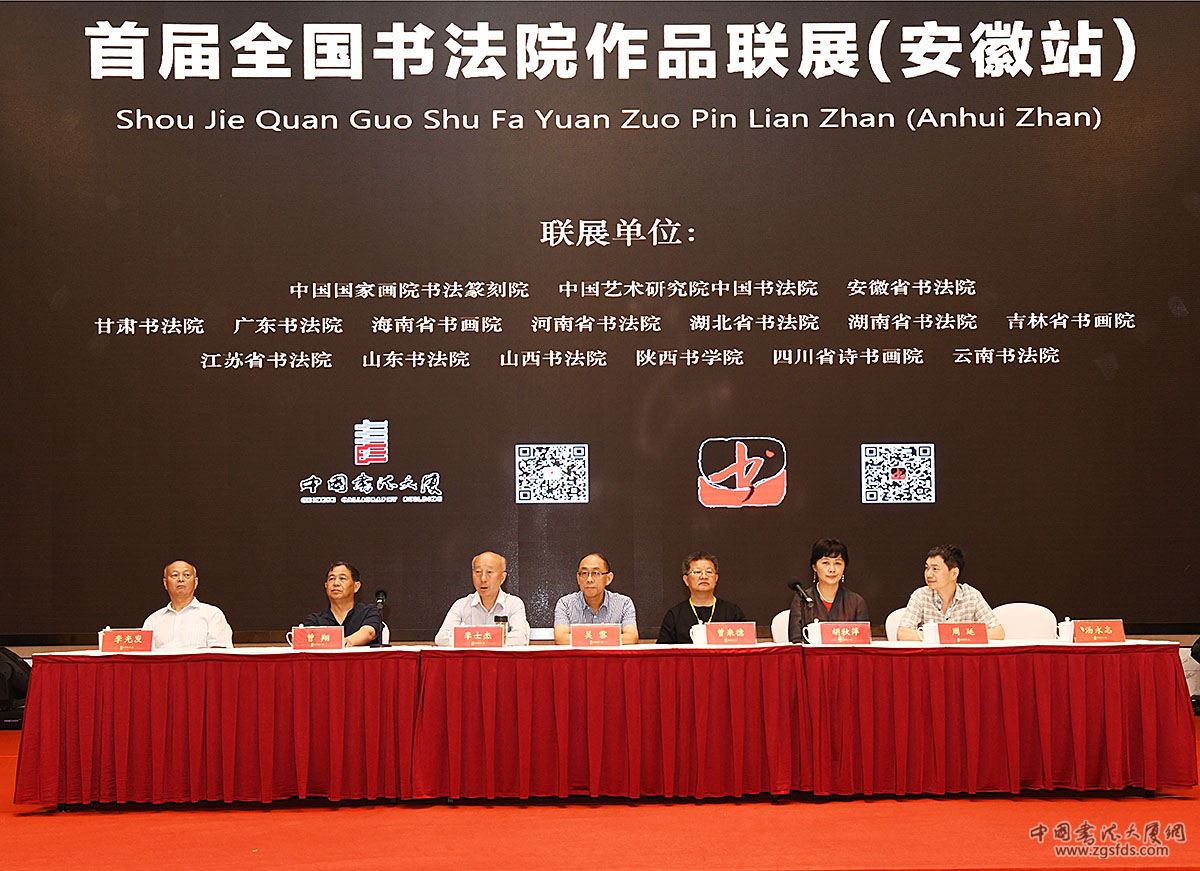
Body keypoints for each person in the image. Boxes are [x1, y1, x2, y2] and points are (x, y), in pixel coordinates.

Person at [896, 545, 1004, 641]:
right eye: (927, 568)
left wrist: (959, 636)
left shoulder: (972, 596)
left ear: (954, 574)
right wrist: (942, 635)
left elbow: (998, 633)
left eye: (935, 569)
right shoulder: (921, 595)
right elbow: (903, 634)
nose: (929, 574)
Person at [434, 551, 530, 646]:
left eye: (489, 572)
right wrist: (489, 640)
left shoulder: (514, 604)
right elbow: (441, 638)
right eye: (478, 572)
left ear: (502, 578)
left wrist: (476, 640)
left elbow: (520, 638)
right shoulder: (461, 605)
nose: (483, 579)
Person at [788, 538, 870, 643]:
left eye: (837, 563)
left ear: (844, 567)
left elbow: (862, 643)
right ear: (814, 567)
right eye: (825, 563)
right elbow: (796, 642)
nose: (832, 569)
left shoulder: (856, 603)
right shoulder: (801, 600)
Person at [658, 551, 747, 644]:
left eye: (709, 572)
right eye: (697, 572)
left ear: (716, 578)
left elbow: (745, 647)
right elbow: (663, 651)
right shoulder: (674, 616)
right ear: (686, 580)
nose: (704, 576)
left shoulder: (733, 613)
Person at [142, 559, 233, 649]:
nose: (181, 579)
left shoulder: (212, 614)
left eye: (187, 575)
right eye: (175, 575)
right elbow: (144, 655)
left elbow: (220, 654)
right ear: (165, 583)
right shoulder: (153, 620)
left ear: (195, 582)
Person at [554, 552, 639, 644]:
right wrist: (602, 639)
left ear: (608, 578)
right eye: (584, 573)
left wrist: (590, 639)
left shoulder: (623, 603)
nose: (589, 579)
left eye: (596, 573)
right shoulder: (565, 604)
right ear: (578, 578)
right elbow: (561, 638)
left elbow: (631, 637)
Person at [300, 562, 382, 647]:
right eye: (331, 579)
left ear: (356, 586)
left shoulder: (368, 612)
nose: (336, 583)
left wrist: (346, 642)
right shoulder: (315, 620)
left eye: (342, 578)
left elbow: (369, 632)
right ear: (326, 586)